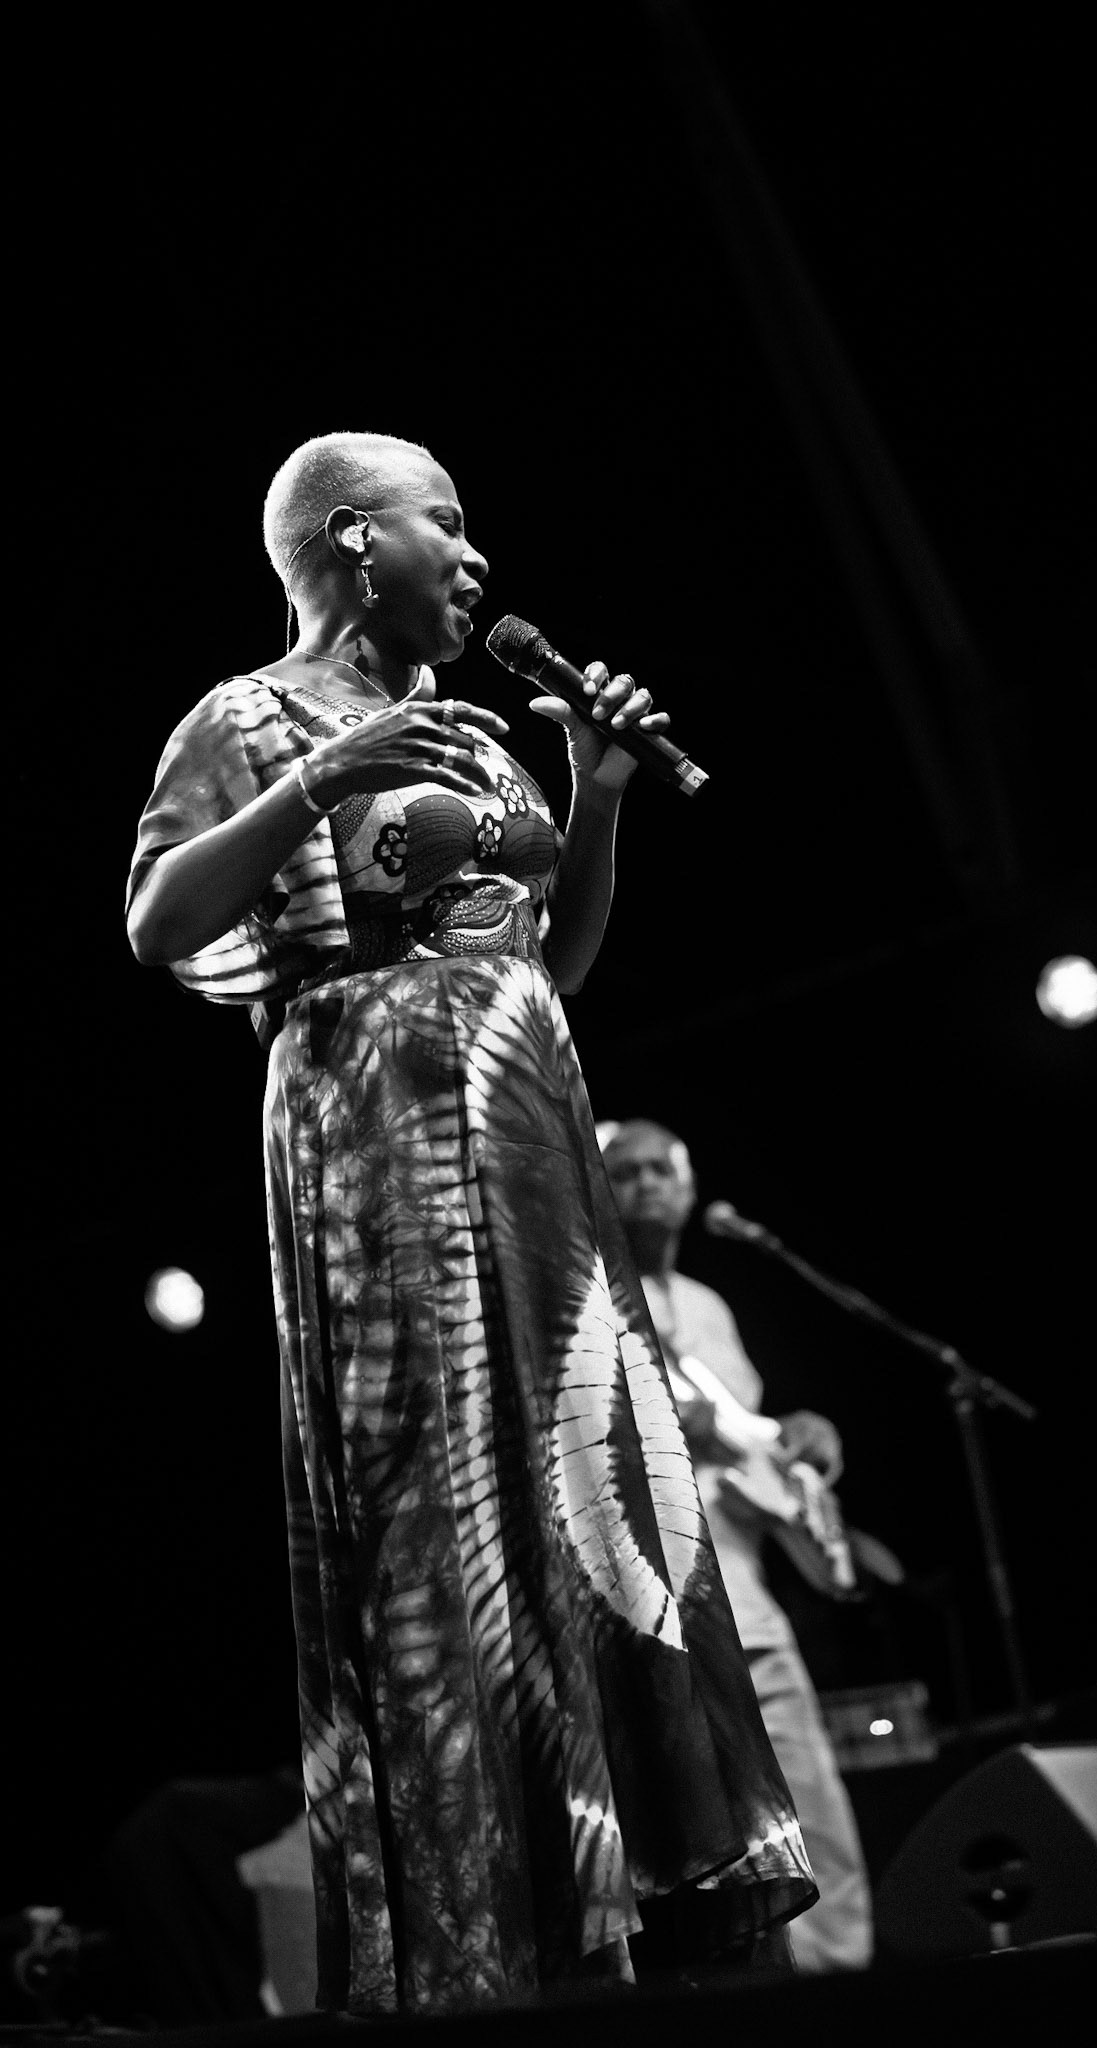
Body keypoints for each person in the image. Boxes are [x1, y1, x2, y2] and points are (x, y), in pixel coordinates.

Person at [125, 431, 815, 2015]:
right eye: (449, 521)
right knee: (449, 1504)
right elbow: (159, 920)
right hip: (377, 1140)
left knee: (578, 1488)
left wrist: (598, 786)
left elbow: (545, 964)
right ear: (356, 543)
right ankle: (488, 1919)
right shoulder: (250, 716)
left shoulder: (481, 734)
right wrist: (323, 779)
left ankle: (620, 1883)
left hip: (527, 1137)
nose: (477, 555)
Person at [597, 1120, 875, 1972]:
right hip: (676, 1607)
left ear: (686, 1186)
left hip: (756, 1598)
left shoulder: (710, 1308)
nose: (646, 1183)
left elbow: (751, 1437)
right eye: (626, 1171)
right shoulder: (593, 1298)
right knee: (732, 1846)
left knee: (821, 1822)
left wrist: (799, 1436)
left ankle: (849, 1993)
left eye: (661, 1169)